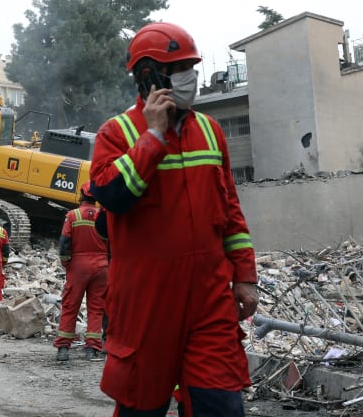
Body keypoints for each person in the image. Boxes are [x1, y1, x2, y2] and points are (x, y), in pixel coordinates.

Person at [89, 22, 258, 417]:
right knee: (141, 408)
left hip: (209, 300)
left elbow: (230, 210)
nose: (190, 78)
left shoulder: (211, 132)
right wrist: (153, 137)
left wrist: (245, 276)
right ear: (149, 75)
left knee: (221, 406)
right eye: (180, 69)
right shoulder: (116, 134)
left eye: (190, 68)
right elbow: (114, 197)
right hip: (146, 304)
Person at [53, 182, 109, 362]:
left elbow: (64, 244)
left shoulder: (73, 215)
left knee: (70, 306)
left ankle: (63, 348)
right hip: (101, 266)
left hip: (78, 265)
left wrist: (66, 263)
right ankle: (91, 349)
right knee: (96, 308)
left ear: (82, 196)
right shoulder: (104, 216)